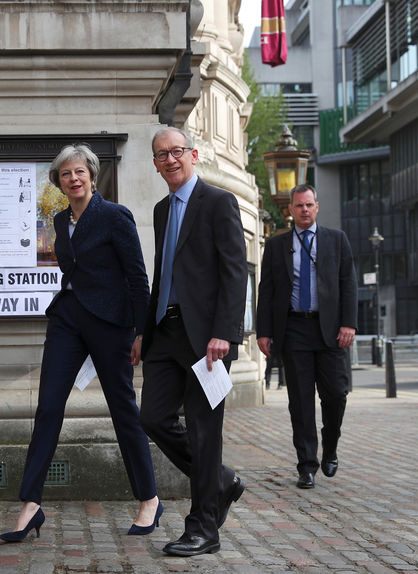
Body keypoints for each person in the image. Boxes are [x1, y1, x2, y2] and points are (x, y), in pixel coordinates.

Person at [0, 143, 161, 542]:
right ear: (59, 181)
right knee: (49, 406)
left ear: (92, 175)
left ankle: (149, 500)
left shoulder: (114, 216)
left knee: (123, 409)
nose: (73, 179)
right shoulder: (59, 221)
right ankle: (31, 504)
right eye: (65, 174)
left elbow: (138, 279)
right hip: (67, 321)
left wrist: (141, 332)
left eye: (79, 172)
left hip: (110, 325)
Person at [139, 127, 247, 557]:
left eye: (177, 151)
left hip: (207, 340)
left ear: (193, 154)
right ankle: (220, 480)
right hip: (165, 333)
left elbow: (234, 271)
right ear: (155, 163)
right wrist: (144, 331)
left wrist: (224, 331)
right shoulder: (162, 209)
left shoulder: (219, 202)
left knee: (204, 433)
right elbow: (163, 274)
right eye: (161, 155)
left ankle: (203, 528)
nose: (170, 159)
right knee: (152, 418)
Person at [256, 184, 357, 489]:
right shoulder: (276, 246)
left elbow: (349, 283)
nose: (304, 210)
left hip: (330, 331)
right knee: (300, 402)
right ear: (291, 209)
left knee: (336, 394)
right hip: (295, 330)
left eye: (308, 205)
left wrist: (348, 324)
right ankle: (307, 465)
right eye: (298, 205)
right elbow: (267, 290)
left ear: (317, 207)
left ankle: (331, 448)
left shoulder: (336, 240)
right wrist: (264, 332)